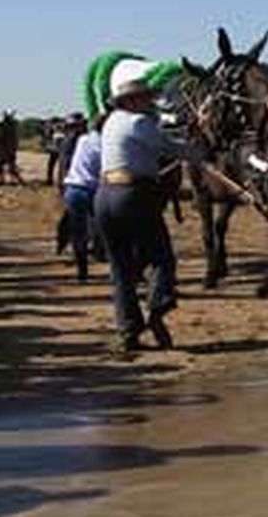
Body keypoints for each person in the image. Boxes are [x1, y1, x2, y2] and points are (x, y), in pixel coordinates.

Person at [95, 60, 189, 354]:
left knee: (120, 269)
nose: (152, 102)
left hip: (105, 195)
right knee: (162, 259)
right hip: (133, 195)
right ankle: (157, 308)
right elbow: (171, 148)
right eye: (147, 98)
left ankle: (129, 331)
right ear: (134, 101)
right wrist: (202, 151)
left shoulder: (111, 122)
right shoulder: (139, 122)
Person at [58, 116, 102, 282]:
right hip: (92, 190)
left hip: (73, 189)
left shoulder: (84, 140)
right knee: (102, 230)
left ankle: (82, 272)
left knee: (78, 233)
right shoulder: (106, 144)